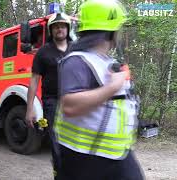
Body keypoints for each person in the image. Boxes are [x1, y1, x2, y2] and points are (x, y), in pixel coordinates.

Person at [55, 0, 144, 179]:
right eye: (118, 27)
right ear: (109, 31)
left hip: (113, 154)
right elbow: (70, 106)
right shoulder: (76, 61)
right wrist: (112, 87)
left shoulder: (105, 61)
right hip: (86, 158)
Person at [25, 12, 72, 178]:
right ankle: (58, 175)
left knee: (76, 144)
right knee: (56, 144)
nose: (59, 29)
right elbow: (34, 80)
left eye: (62, 25)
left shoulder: (77, 49)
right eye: (56, 26)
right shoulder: (43, 52)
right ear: (51, 30)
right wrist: (30, 108)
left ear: (68, 28)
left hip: (76, 102)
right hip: (52, 103)